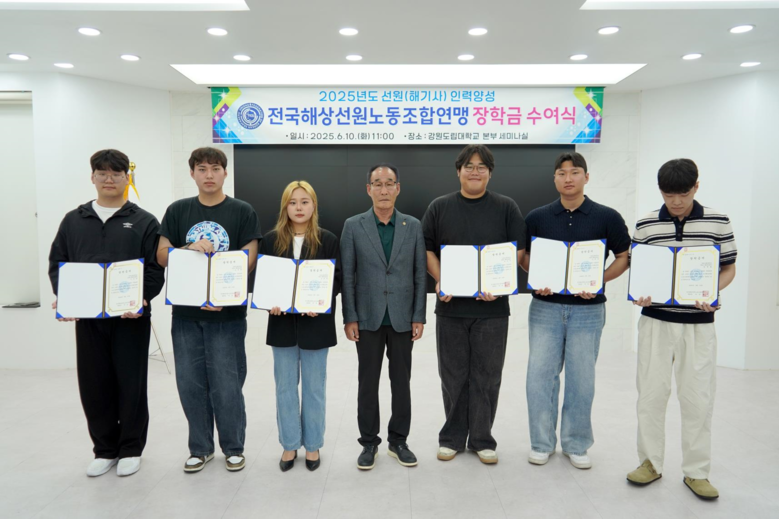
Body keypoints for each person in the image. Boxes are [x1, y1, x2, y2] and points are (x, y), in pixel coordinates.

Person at [49, 149, 165, 477]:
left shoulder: (143, 220)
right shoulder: (74, 220)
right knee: (94, 382)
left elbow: (155, 268)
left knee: (131, 383)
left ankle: (130, 448)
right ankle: (104, 450)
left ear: (127, 177)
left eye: (116, 173)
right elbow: (58, 262)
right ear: (92, 177)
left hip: (131, 318)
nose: (109, 179)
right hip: (89, 319)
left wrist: (142, 298)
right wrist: (66, 297)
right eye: (102, 173)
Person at [628, 158, 737, 500]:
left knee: (698, 399)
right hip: (655, 322)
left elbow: (729, 268)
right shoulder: (646, 224)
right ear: (660, 191)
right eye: (668, 194)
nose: (676, 201)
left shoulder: (718, 221)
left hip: (699, 325)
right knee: (650, 395)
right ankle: (649, 463)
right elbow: (639, 270)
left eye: (684, 194)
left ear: (696, 187)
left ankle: (697, 472)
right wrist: (641, 294)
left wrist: (712, 292)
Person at [520, 151, 631, 470]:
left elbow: (624, 256)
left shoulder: (607, 216)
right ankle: (541, 443)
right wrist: (537, 278)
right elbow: (523, 256)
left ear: (586, 177)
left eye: (575, 172)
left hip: (588, 310)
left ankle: (576, 443)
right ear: (554, 178)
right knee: (540, 377)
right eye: (562, 173)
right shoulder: (537, 217)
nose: (568, 178)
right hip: (545, 308)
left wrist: (599, 280)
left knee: (582, 380)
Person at [156, 147, 261, 473]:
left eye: (215, 168)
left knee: (227, 384)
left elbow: (249, 257)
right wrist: (188, 248)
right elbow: (162, 255)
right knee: (190, 384)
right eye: (202, 169)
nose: (209, 175)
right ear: (192, 173)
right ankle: (200, 448)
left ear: (225, 172)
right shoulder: (178, 210)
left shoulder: (242, 211)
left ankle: (233, 447)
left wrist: (221, 292)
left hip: (227, 314)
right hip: (186, 314)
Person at [422, 145, 526, 465]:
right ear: (458, 171)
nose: (475, 171)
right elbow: (427, 250)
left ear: (490, 173)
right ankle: (452, 438)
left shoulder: (506, 207)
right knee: (452, 376)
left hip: (492, 311)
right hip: (451, 309)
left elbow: (518, 252)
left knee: (487, 377)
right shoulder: (440, 207)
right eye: (469, 166)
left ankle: (482, 439)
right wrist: (442, 279)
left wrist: (500, 284)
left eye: (482, 167)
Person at [341, 163, 427, 470]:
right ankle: (368, 442)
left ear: (398, 188)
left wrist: (419, 315)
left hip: (403, 317)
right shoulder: (354, 225)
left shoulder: (412, 226)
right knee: (368, 383)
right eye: (377, 183)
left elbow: (420, 273)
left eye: (389, 183)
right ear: (369, 189)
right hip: (367, 317)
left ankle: (399, 440)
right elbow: (347, 275)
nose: (384, 189)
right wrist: (350, 317)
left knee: (401, 382)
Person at [260, 180, 341, 472]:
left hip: (316, 325)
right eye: (292, 202)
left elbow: (337, 279)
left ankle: (313, 444)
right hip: (281, 325)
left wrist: (318, 302)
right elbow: (264, 280)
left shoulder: (328, 239)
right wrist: (270, 301)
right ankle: (289, 444)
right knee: (285, 388)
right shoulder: (270, 240)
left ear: (313, 206)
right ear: (285, 207)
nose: (298, 207)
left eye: (304, 202)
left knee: (314, 388)